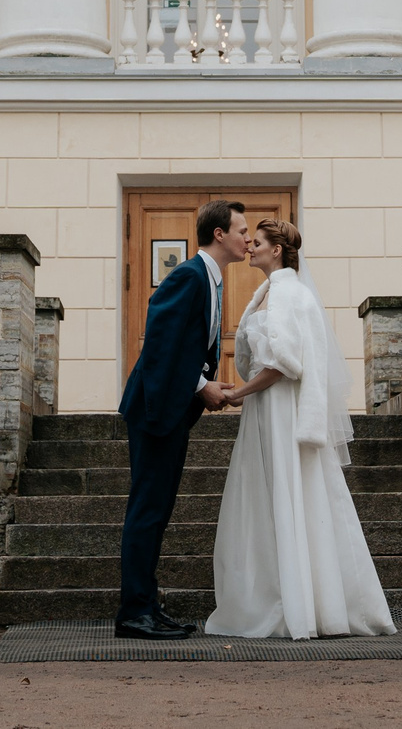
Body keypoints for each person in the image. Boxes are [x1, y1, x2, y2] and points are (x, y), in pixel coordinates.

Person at [206, 217, 396, 640]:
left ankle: (302, 606)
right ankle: (290, 596)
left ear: (276, 250)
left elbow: (283, 365)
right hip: (265, 408)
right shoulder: (272, 292)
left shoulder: (289, 293)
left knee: (290, 493)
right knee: (277, 496)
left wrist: (236, 395)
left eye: (256, 242)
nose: (249, 248)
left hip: (279, 409)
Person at [112, 198, 245, 640]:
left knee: (158, 511)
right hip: (154, 411)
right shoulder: (189, 275)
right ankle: (134, 612)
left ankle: (147, 605)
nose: (247, 238)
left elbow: (191, 346)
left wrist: (212, 381)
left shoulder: (213, 279)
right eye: (242, 231)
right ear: (220, 234)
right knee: (148, 511)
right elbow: (160, 340)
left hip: (172, 411)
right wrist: (198, 386)